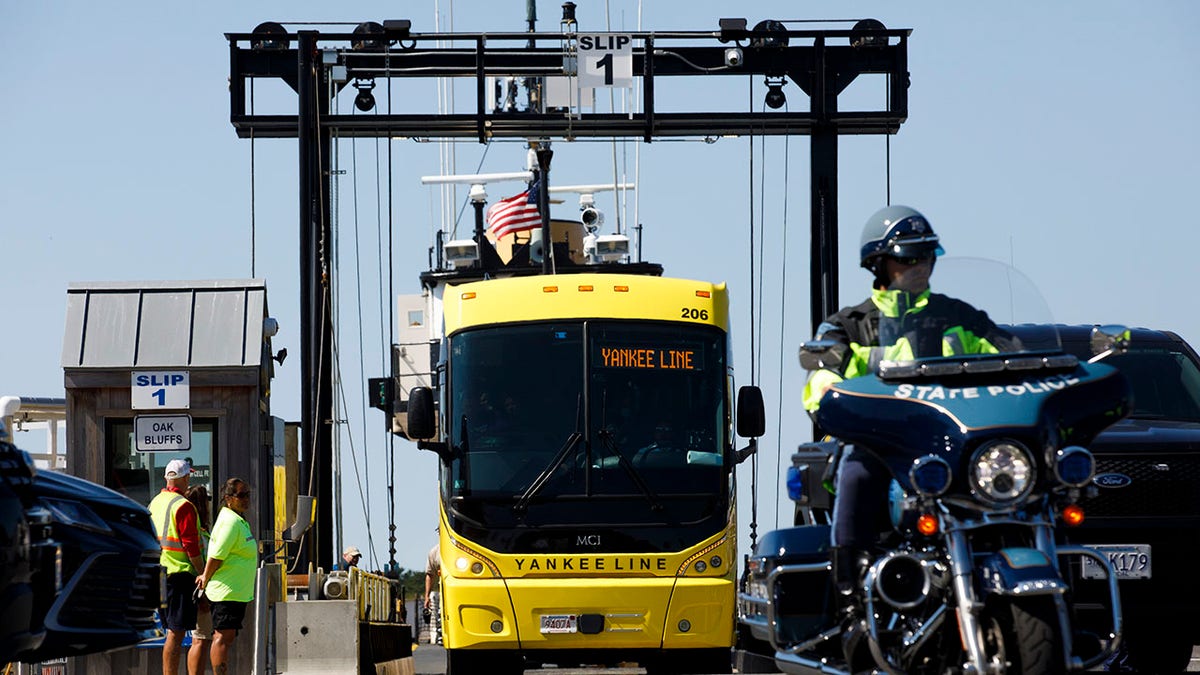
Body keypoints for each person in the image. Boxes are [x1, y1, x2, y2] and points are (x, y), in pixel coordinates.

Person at [800, 206, 1017, 659]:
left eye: (925, 257)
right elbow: (821, 376)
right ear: (880, 265)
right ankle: (850, 598)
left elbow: (1013, 356)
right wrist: (830, 397)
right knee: (856, 472)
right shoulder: (848, 324)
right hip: (882, 442)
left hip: (951, 443)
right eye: (908, 258)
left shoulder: (959, 316)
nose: (920, 267)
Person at [148, 459, 206, 675]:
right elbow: (191, 546)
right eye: (188, 476)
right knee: (176, 632)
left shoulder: (155, 502)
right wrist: (202, 573)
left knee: (171, 630)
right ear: (183, 478)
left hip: (159, 573)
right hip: (178, 575)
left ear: (166, 477)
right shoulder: (184, 505)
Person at [196, 478, 258, 675]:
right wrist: (205, 578)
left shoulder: (238, 520)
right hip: (225, 592)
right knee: (222, 637)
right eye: (241, 495)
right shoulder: (230, 522)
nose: (246, 499)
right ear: (228, 498)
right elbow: (216, 556)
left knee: (226, 637)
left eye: (247, 494)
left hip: (235, 592)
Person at [185, 485, 213, 675]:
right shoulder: (201, 533)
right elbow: (201, 562)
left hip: (195, 587)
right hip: (200, 589)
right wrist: (203, 594)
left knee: (201, 638)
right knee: (200, 639)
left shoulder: (199, 530)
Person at [424, 538, 442, 645]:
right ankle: (438, 636)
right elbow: (430, 574)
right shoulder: (435, 552)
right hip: (443, 592)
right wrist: (427, 596)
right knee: (438, 614)